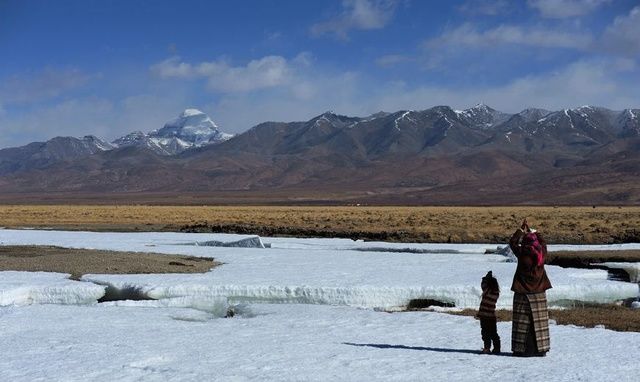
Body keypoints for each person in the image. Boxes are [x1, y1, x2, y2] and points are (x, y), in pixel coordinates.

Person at [509, 218, 552, 357]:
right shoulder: (541, 254)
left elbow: (512, 243)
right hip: (539, 293)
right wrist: (535, 232)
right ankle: (540, 350)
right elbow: (543, 243)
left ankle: (522, 350)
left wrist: (521, 230)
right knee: (538, 324)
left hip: (522, 293)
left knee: (522, 323)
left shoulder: (522, 254)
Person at [477, 271, 500, 354]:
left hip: (484, 316)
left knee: (485, 333)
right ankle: (497, 348)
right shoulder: (496, 293)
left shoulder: (487, 291)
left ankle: (487, 348)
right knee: (493, 333)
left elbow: (483, 285)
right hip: (492, 316)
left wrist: (485, 278)